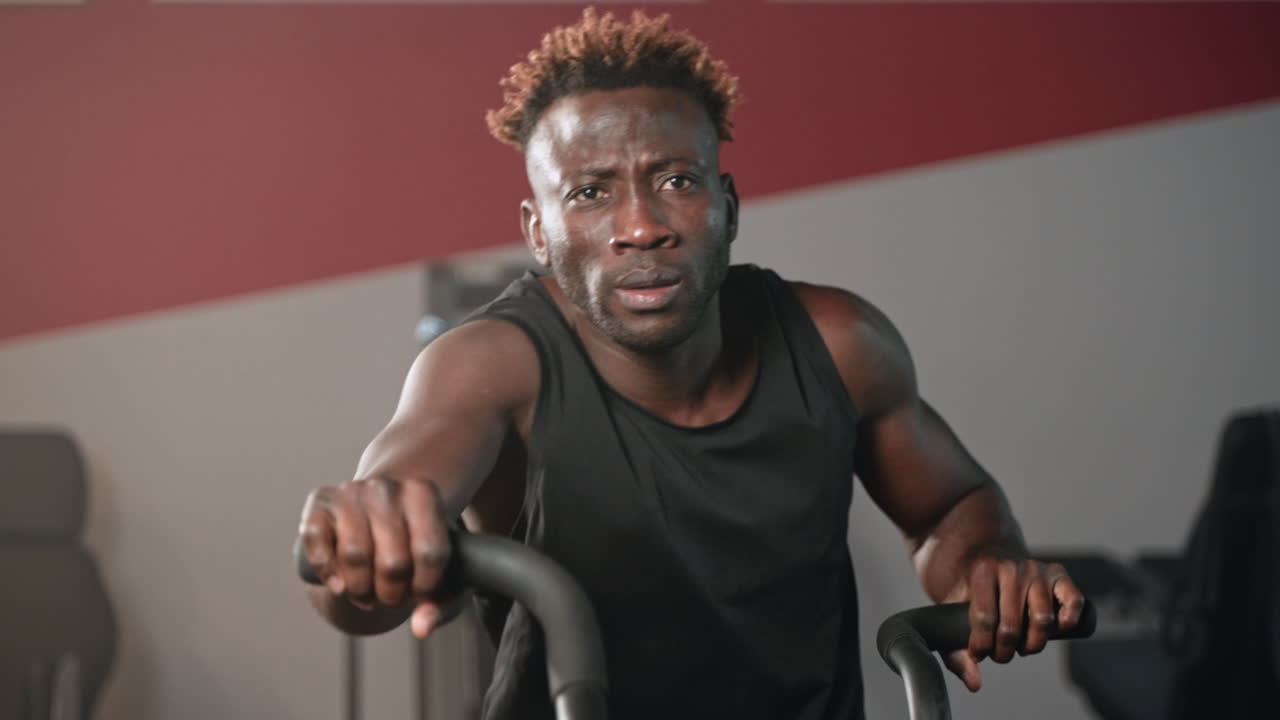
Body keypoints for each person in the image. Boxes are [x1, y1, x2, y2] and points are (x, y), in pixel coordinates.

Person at [296, 8, 1084, 720]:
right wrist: (370, 540)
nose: (641, 227)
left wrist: (985, 566)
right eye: (591, 193)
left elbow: (953, 505)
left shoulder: (840, 343)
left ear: (728, 206)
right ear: (538, 235)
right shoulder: (492, 365)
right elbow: (379, 535)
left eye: (675, 181)